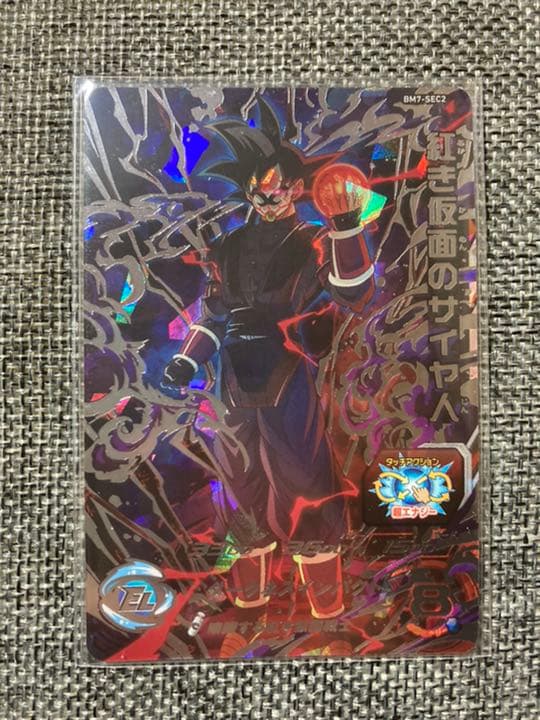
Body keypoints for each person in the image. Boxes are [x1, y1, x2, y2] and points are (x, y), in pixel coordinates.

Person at [163, 97, 383, 627]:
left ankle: (324, 602)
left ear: (294, 187)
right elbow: (213, 314)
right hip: (232, 377)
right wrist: (186, 362)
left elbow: (355, 293)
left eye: (276, 186)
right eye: (258, 188)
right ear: (247, 190)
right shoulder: (229, 246)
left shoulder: (313, 240)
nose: (267, 196)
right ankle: (250, 601)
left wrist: (347, 227)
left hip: (291, 367)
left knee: (303, 476)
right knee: (239, 480)